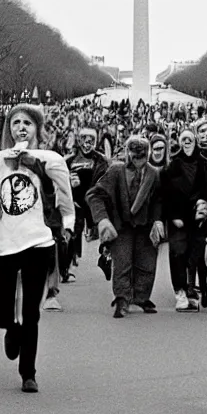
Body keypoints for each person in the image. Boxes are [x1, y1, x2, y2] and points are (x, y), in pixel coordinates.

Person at [0, 104, 74, 393]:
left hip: (38, 241)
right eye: (15, 122)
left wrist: (68, 224)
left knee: (32, 311)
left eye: (27, 122)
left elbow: (64, 194)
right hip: (5, 243)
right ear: (8, 129)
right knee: (3, 309)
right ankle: (9, 328)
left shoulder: (50, 159)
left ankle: (28, 372)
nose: (21, 127)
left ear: (37, 129)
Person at [86, 135, 164, 318]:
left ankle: (141, 297)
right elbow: (94, 195)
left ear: (148, 154)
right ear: (128, 154)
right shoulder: (116, 171)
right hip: (122, 225)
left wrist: (157, 220)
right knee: (122, 263)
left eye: (142, 156)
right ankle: (122, 297)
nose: (138, 160)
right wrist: (102, 219)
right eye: (134, 155)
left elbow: (159, 199)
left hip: (145, 225)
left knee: (146, 263)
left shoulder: (154, 174)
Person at [160, 129, 207, 312]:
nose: (187, 142)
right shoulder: (172, 166)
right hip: (179, 219)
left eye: (190, 139)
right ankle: (181, 292)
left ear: (195, 141)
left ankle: (206, 292)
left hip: (200, 217)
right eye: (184, 139)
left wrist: (205, 209)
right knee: (178, 254)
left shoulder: (206, 164)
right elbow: (165, 195)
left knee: (200, 255)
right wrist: (173, 216)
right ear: (180, 142)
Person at [63, 125, 108, 282]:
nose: (87, 144)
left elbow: (107, 180)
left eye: (91, 140)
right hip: (75, 203)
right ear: (78, 140)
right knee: (73, 234)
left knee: (105, 231)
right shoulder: (68, 160)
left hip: (94, 201)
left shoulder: (102, 160)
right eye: (84, 140)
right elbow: (59, 183)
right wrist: (69, 184)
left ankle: (107, 259)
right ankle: (67, 268)